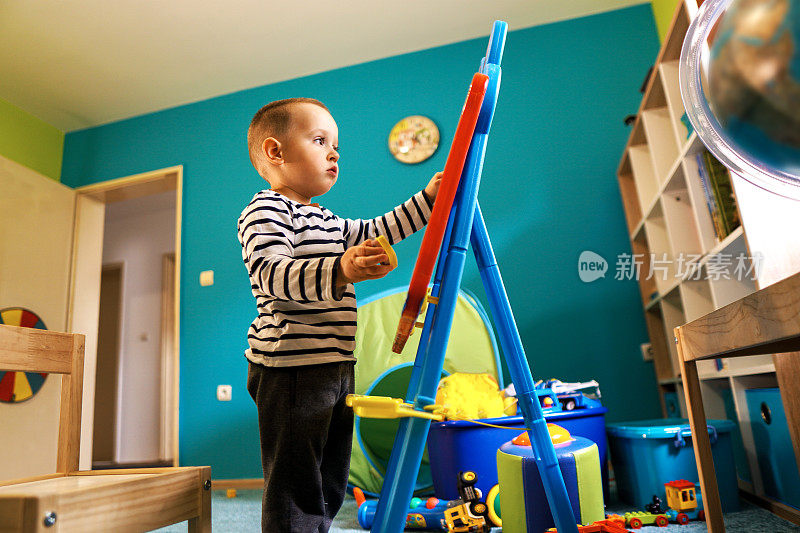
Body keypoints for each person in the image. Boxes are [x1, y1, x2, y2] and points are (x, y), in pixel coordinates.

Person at [237, 97, 442, 532]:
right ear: (275, 152)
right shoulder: (266, 211)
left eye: (337, 146)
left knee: (331, 477)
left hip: (335, 366)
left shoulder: (329, 222)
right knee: (295, 479)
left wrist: (427, 199)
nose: (334, 153)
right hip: (291, 368)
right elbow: (273, 275)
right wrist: (341, 267)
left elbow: (377, 230)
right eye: (320, 140)